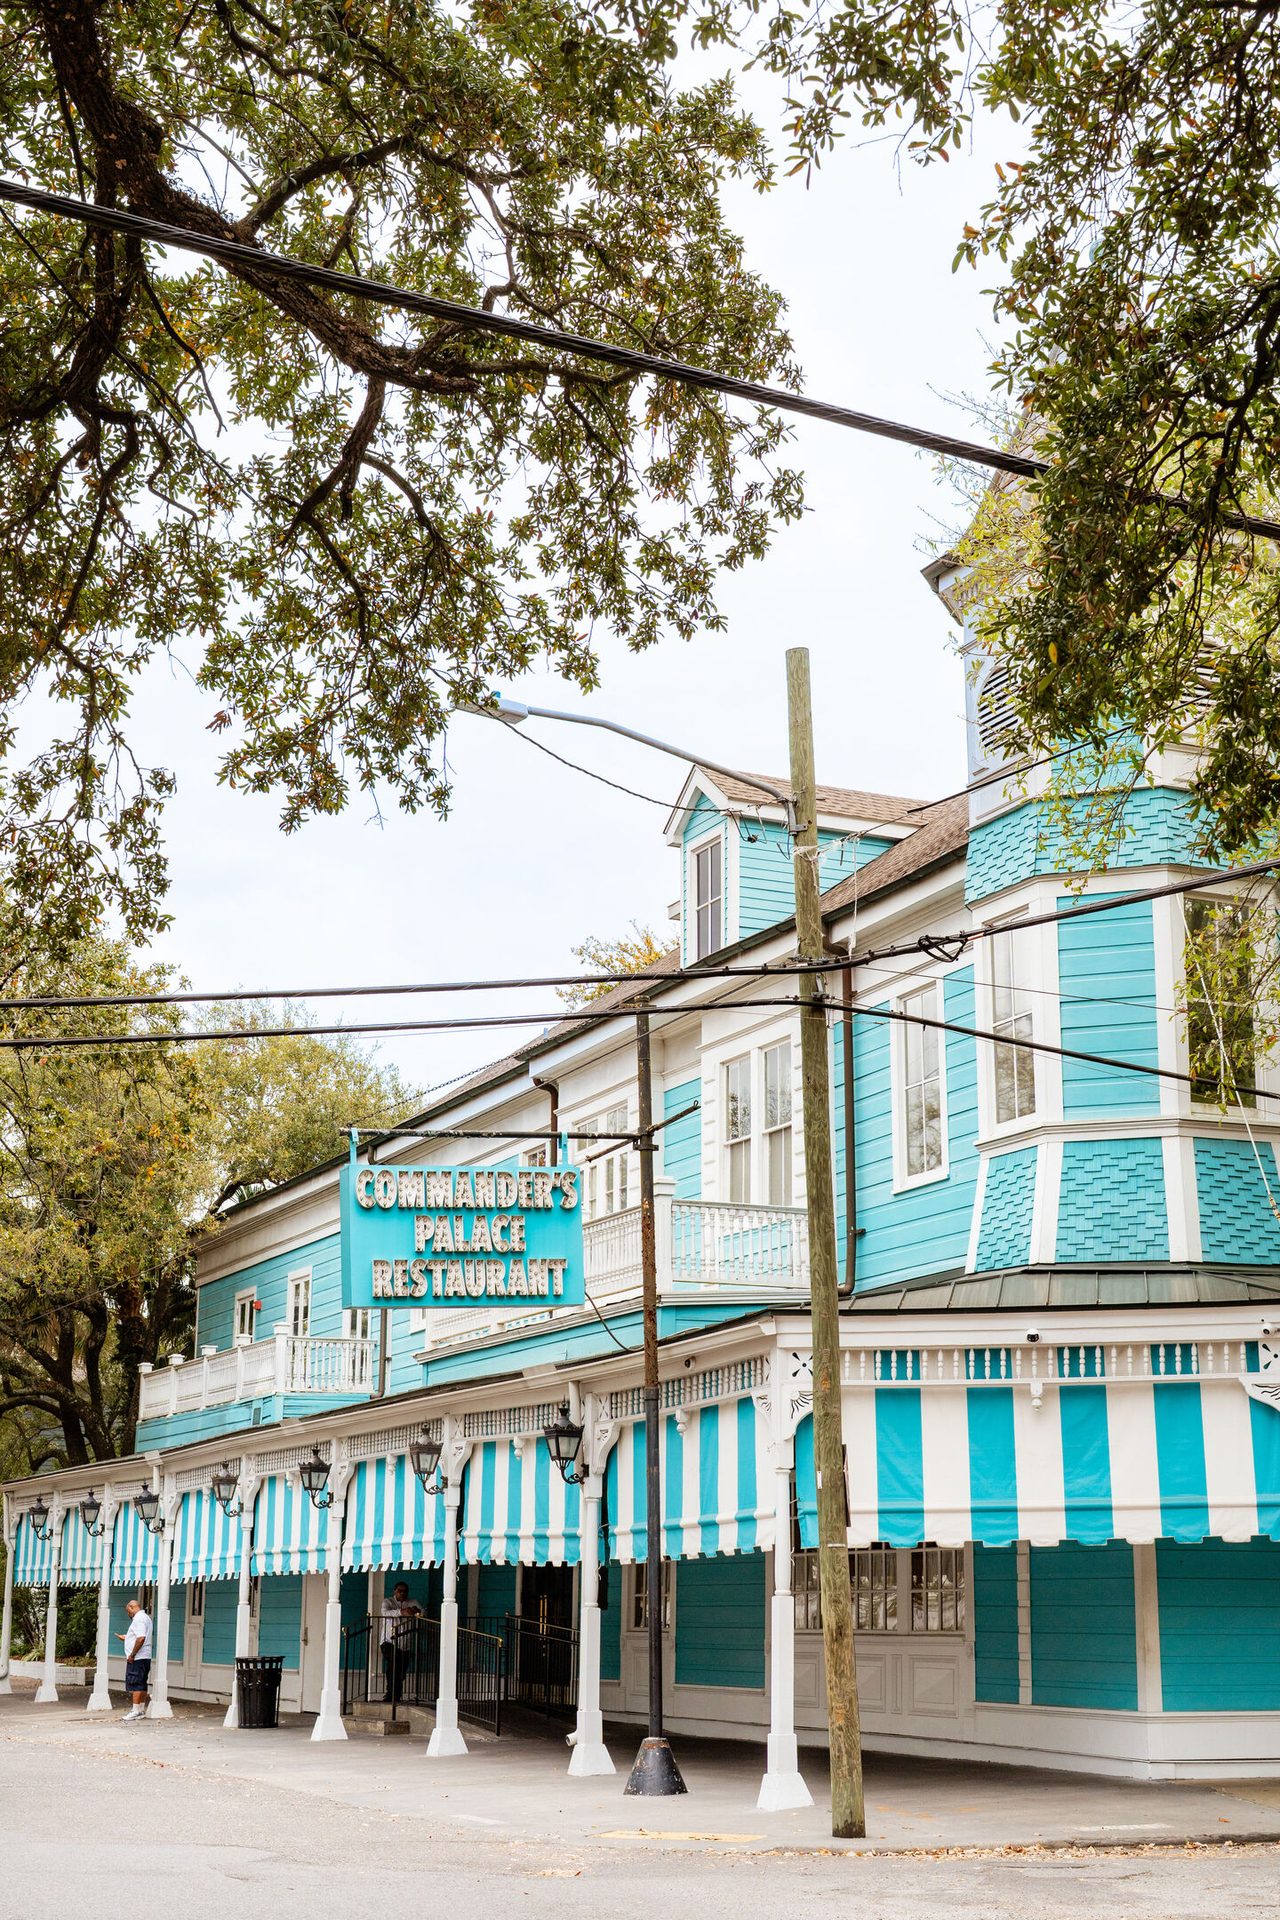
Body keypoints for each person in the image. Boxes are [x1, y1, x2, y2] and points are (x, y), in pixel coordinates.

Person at [379, 1582, 420, 1705]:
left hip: (405, 1643)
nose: (402, 1593)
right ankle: (390, 1694)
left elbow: (422, 1612)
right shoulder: (388, 1602)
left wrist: (415, 1610)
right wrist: (401, 1612)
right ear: (395, 1591)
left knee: (401, 1670)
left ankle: (396, 1694)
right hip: (388, 1641)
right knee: (393, 1665)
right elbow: (385, 1613)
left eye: (405, 1591)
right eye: (399, 1591)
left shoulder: (412, 1602)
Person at [118, 1597, 153, 1722]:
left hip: (138, 1657)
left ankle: (135, 1710)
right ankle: (141, 1710)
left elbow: (140, 1638)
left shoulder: (138, 1619)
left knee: (135, 1683)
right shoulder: (146, 1618)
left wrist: (132, 1654)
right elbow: (138, 1636)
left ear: (132, 1607)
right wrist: (127, 1638)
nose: (129, 1614)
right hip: (145, 1656)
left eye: (128, 1611)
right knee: (142, 1682)